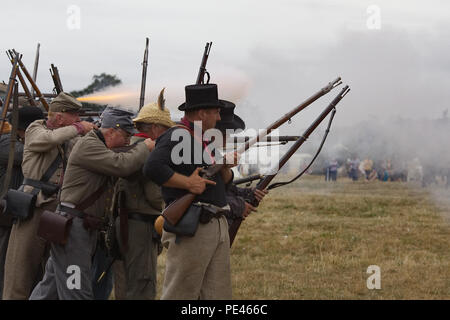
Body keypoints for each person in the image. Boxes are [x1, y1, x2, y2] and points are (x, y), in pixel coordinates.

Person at [29, 107, 154, 300]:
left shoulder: (99, 146)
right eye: (126, 135)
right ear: (112, 131)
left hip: (77, 227)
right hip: (74, 228)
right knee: (76, 289)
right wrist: (145, 147)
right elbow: (121, 165)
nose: (128, 141)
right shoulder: (89, 145)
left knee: (50, 289)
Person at [144, 83, 236, 300]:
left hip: (215, 222)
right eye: (215, 112)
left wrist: (224, 166)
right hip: (193, 224)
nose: (219, 118)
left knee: (217, 294)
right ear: (202, 113)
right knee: (181, 293)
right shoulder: (177, 135)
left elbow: (225, 183)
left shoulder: (205, 139)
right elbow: (152, 167)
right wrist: (187, 184)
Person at [3, 93, 95, 300]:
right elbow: (47, 139)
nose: (78, 120)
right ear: (60, 117)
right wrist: (79, 129)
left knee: (53, 269)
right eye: (74, 115)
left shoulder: (70, 135)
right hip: (34, 204)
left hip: (60, 207)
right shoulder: (36, 128)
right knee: (21, 268)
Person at [113, 88, 175, 299]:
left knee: (127, 284)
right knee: (142, 285)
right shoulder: (148, 151)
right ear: (156, 128)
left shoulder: (133, 147)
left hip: (129, 223)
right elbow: (156, 195)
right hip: (141, 226)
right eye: (167, 130)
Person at [0, 107, 45, 299]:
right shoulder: (6, 142)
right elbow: (27, 153)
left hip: (20, 212)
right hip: (6, 212)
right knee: (6, 265)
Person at [214, 101, 268, 229]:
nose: (228, 137)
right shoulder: (200, 152)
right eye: (225, 132)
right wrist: (238, 206)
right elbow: (207, 196)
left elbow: (224, 188)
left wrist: (249, 193)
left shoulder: (213, 153)